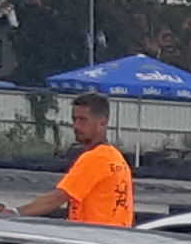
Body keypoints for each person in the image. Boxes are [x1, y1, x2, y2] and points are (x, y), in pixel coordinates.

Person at [19, 93, 133, 224]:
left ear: (103, 121)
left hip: (94, 234)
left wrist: (15, 213)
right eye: (74, 120)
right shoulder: (115, 157)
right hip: (113, 233)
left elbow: (57, 199)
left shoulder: (95, 158)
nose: (76, 126)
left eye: (83, 120)